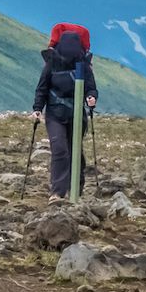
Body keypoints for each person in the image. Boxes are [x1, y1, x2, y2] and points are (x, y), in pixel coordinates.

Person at [32, 29, 97, 199]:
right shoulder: (52, 65)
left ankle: (75, 190)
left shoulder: (82, 66)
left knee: (74, 151)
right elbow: (43, 88)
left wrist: (91, 96)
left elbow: (91, 87)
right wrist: (37, 108)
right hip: (55, 115)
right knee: (61, 149)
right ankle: (59, 192)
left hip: (74, 115)